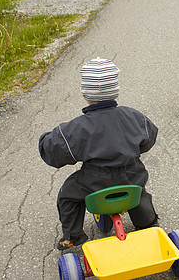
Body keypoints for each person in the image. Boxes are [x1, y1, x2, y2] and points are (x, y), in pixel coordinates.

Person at [38, 57, 159, 250]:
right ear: (116, 89)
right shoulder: (134, 116)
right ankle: (147, 223)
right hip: (131, 175)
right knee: (138, 191)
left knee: (67, 195)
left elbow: (54, 151)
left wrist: (46, 139)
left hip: (94, 182)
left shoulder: (76, 129)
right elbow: (149, 139)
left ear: (85, 92)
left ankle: (73, 236)